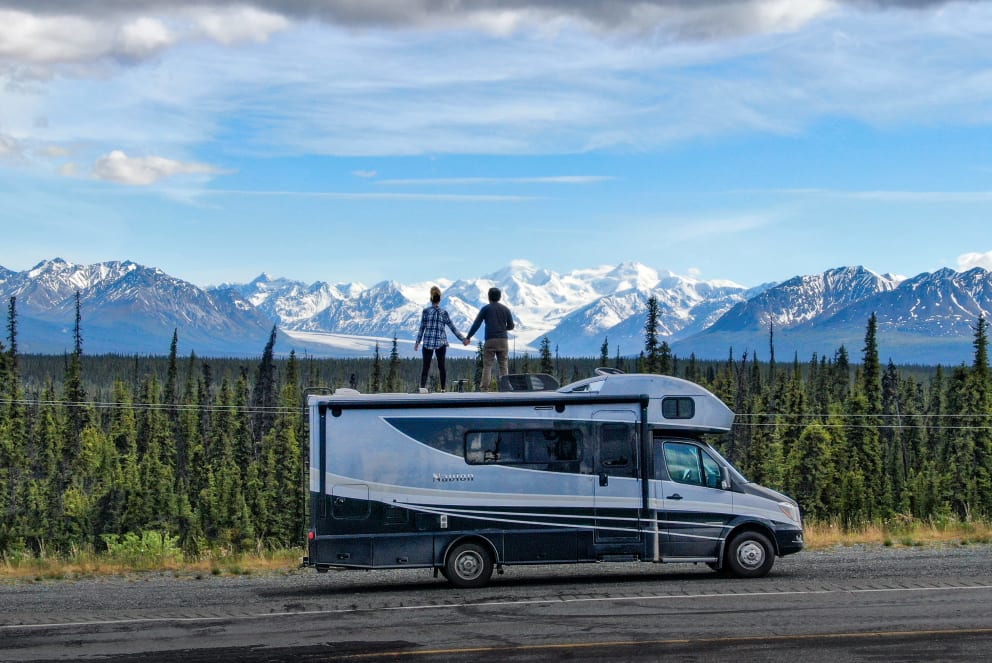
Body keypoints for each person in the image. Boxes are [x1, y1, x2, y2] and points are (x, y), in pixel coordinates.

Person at [414, 286, 466, 392]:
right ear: (439, 299)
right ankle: (442, 389)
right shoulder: (443, 312)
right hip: (441, 342)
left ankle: (422, 388)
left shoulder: (426, 311)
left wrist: (417, 342)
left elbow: (421, 328)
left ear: (431, 299)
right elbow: (452, 327)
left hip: (428, 342)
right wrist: (463, 339)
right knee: (441, 367)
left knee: (425, 367)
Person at [464, 287, 515, 391]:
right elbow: (511, 326)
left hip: (490, 340)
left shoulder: (486, 309)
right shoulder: (506, 309)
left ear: (489, 297)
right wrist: (503, 328)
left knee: (487, 365)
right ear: (500, 297)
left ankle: (485, 388)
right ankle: (505, 388)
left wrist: (468, 337)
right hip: (503, 341)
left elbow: (476, 324)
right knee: (503, 365)